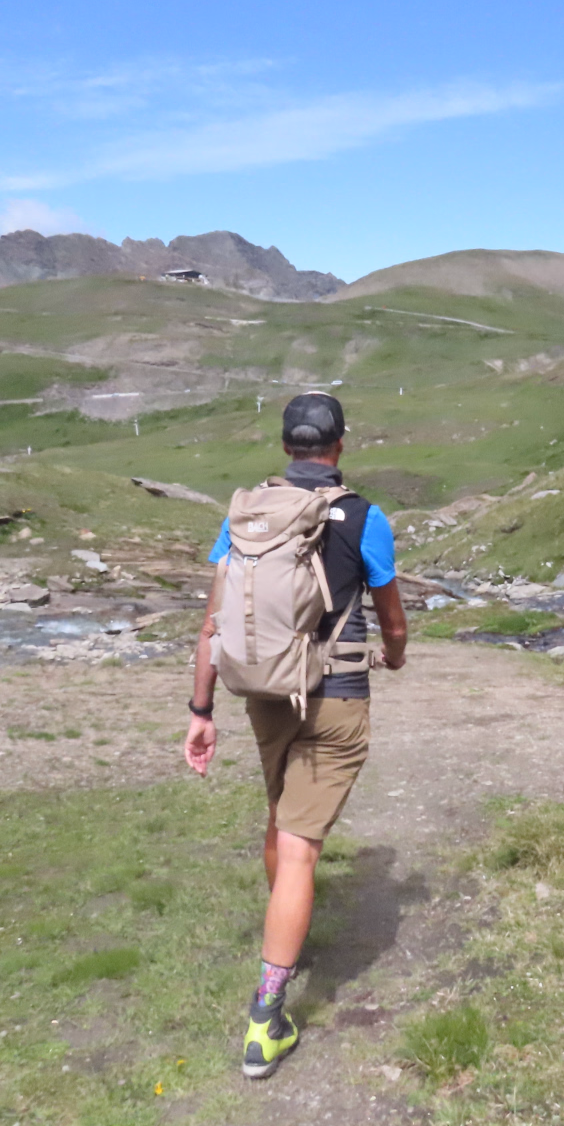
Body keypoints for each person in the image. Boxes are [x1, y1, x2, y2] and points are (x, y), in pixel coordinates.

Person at [183, 392, 409, 1079]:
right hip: (336, 697)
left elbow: (213, 625)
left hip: (264, 693)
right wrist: (395, 654)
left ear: (286, 447)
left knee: (281, 815)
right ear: (340, 445)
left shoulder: (247, 514)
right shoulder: (366, 518)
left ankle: (289, 933)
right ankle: (267, 1020)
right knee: (301, 846)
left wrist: (200, 712)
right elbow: (392, 619)